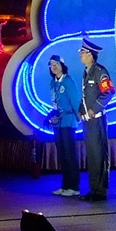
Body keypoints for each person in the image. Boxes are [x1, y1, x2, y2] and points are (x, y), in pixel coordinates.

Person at [78, 39, 115, 202]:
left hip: (97, 120)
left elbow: (109, 91)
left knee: (99, 155)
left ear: (91, 55)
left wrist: (94, 110)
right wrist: (81, 111)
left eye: (83, 52)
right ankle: (94, 189)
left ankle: (100, 191)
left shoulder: (100, 71)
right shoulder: (86, 72)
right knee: (92, 156)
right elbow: (86, 96)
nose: (80, 55)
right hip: (88, 122)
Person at [48, 54, 82, 197]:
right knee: (62, 154)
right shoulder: (53, 82)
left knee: (69, 154)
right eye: (51, 65)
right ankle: (65, 185)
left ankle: (73, 187)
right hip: (58, 123)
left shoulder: (68, 81)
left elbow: (75, 100)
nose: (54, 67)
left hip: (68, 121)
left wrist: (79, 117)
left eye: (56, 64)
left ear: (62, 65)